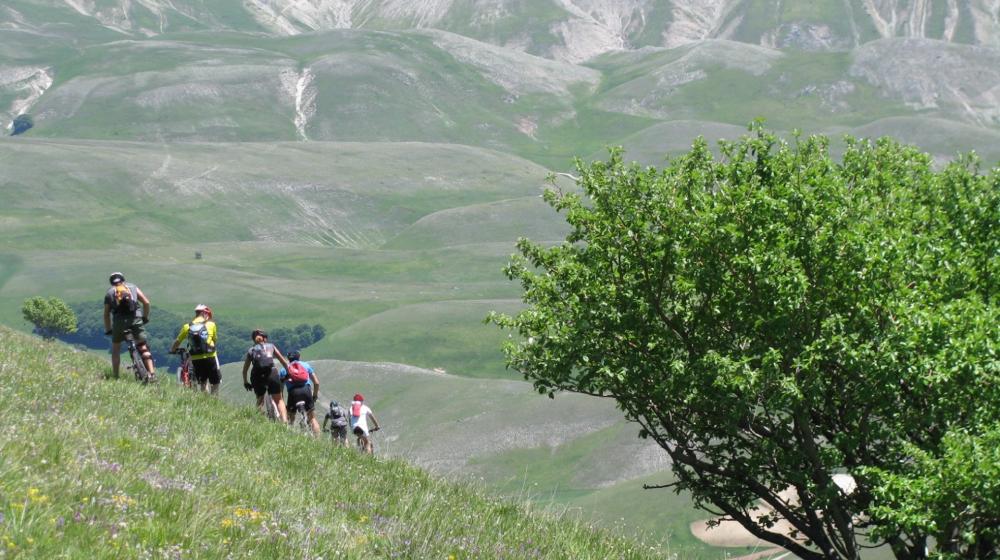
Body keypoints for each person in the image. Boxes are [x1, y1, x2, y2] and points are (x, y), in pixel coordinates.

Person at [103, 272, 155, 380]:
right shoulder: (132, 287)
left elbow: (106, 314)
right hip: (135, 319)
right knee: (142, 346)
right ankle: (152, 374)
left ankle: (116, 376)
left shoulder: (109, 293)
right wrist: (144, 317)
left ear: (112, 283)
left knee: (116, 349)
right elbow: (146, 302)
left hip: (119, 322)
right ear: (123, 280)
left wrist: (108, 329)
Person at [169, 304, 220, 395]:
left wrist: (172, 350)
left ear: (196, 314)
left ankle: (206, 401)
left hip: (196, 358)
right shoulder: (211, 324)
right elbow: (214, 340)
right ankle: (214, 401)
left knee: (203, 382)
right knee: (215, 382)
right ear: (205, 313)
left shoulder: (187, 326)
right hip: (210, 356)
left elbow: (178, 341)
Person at [241, 330, 290, 423]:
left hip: (257, 375)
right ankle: (284, 421)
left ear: (254, 340)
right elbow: (283, 361)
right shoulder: (271, 346)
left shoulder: (251, 350)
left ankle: (260, 422)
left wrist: (246, 382)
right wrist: (288, 373)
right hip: (272, 373)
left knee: (260, 400)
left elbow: (244, 370)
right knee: (279, 400)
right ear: (265, 339)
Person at [279, 350, 321, 436]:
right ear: (299, 357)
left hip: (293, 393)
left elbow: (280, 389)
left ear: (288, 359)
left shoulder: (283, 369)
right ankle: (318, 440)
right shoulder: (306, 365)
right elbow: (316, 383)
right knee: (312, 418)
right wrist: (315, 396)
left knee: (290, 418)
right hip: (306, 390)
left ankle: (289, 436)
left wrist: (282, 402)